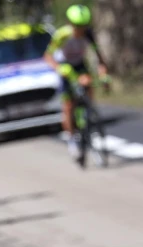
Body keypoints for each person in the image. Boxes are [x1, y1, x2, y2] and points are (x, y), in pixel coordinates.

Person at [44, 4, 109, 162]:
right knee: (68, 106)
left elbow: (99, 57)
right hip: (65, 67)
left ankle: (89, 114)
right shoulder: (62, 35)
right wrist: (59, 68)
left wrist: (104, 75)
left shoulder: (88, 34)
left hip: (80, 65)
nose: (80, 29)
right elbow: (48, 56)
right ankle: (72, 138)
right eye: (77, 26)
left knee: (88, 85)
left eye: (83, 26)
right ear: (70, 24)